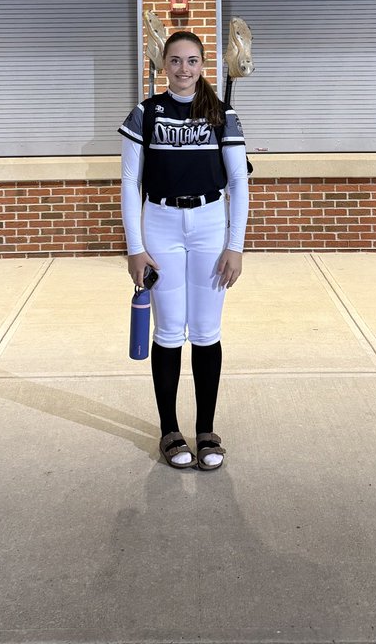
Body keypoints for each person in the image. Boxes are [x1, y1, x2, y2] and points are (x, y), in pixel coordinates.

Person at [119, 30, 249, 471]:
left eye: (192, 61)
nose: (183, 69)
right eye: (175, 60)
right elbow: (129, 183)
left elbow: (238, 182)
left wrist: (236, 244)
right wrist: (135, 248)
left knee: (207, 331)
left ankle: (207, 430)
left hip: (211, 224)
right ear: (163, 65)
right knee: (170, 330)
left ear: (202, 65)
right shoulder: (145, 113)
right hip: (161, 224)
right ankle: (170, 430)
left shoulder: (222, 114)